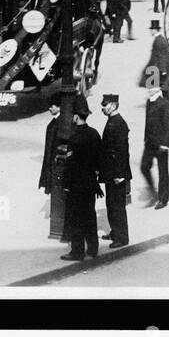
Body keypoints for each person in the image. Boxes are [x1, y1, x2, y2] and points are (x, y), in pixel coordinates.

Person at [59, 95, 102, 261]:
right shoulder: (94, 134)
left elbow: (71, 164)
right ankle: (93, 248)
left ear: (76, 116)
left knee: (76, 218)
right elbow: (99, 161)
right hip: (91, 183)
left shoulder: (74, 138)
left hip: (77, 184)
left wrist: (66, 184)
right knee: (90, 216)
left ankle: (77, 251)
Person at [99, 94, 131, 248]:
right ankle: (115, 232)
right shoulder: (112, 121)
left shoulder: (119, 124)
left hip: (116, 172)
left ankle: (122, 237)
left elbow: (122, 151)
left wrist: (120, 174)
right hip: (110, 170)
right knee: (111, 203)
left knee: (117, 205)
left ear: (112, 105)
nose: (102, 108)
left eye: (105, 105)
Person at [140, 86, 169, 210]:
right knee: (144, 167)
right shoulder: (149, 102)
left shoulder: (164, 103)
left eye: (152, 87)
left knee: (163, 171)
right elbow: (147, 122)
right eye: (148, 88)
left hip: (161, 144)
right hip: (149, 142)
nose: (149, 90)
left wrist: (165, 143)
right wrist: (145, 138)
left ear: (158, 89)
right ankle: (153, 193)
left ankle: (163, 199)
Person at [38, 98, 62, 193]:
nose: (49, 109)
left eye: (52, 106)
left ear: (59, 107)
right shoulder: (56, 120)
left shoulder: (59, 122)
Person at [141, 34, 169, 100]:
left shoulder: (159, 41)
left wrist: (163, 70)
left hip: (159, 67)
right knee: (159, 85)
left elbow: (163, 56)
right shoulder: (159, 40)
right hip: (157, 67)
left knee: (162, 86)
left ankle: (164, 102)